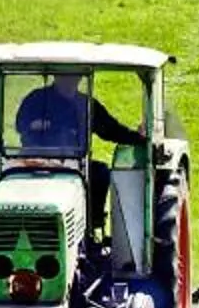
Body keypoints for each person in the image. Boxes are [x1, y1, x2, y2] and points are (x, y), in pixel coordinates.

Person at [9, 73, 142, 236]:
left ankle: (91, 225)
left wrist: (139, 139)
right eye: (65, 76)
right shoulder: (36, 99)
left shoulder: (86, 105)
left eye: (74, 76)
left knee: (100, 172)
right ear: (56, 77)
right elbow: (20, 124)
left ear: (80, 78)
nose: (70, 80)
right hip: (35, 163)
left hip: (73, 166)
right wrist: (35, 126)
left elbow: (111, 130)